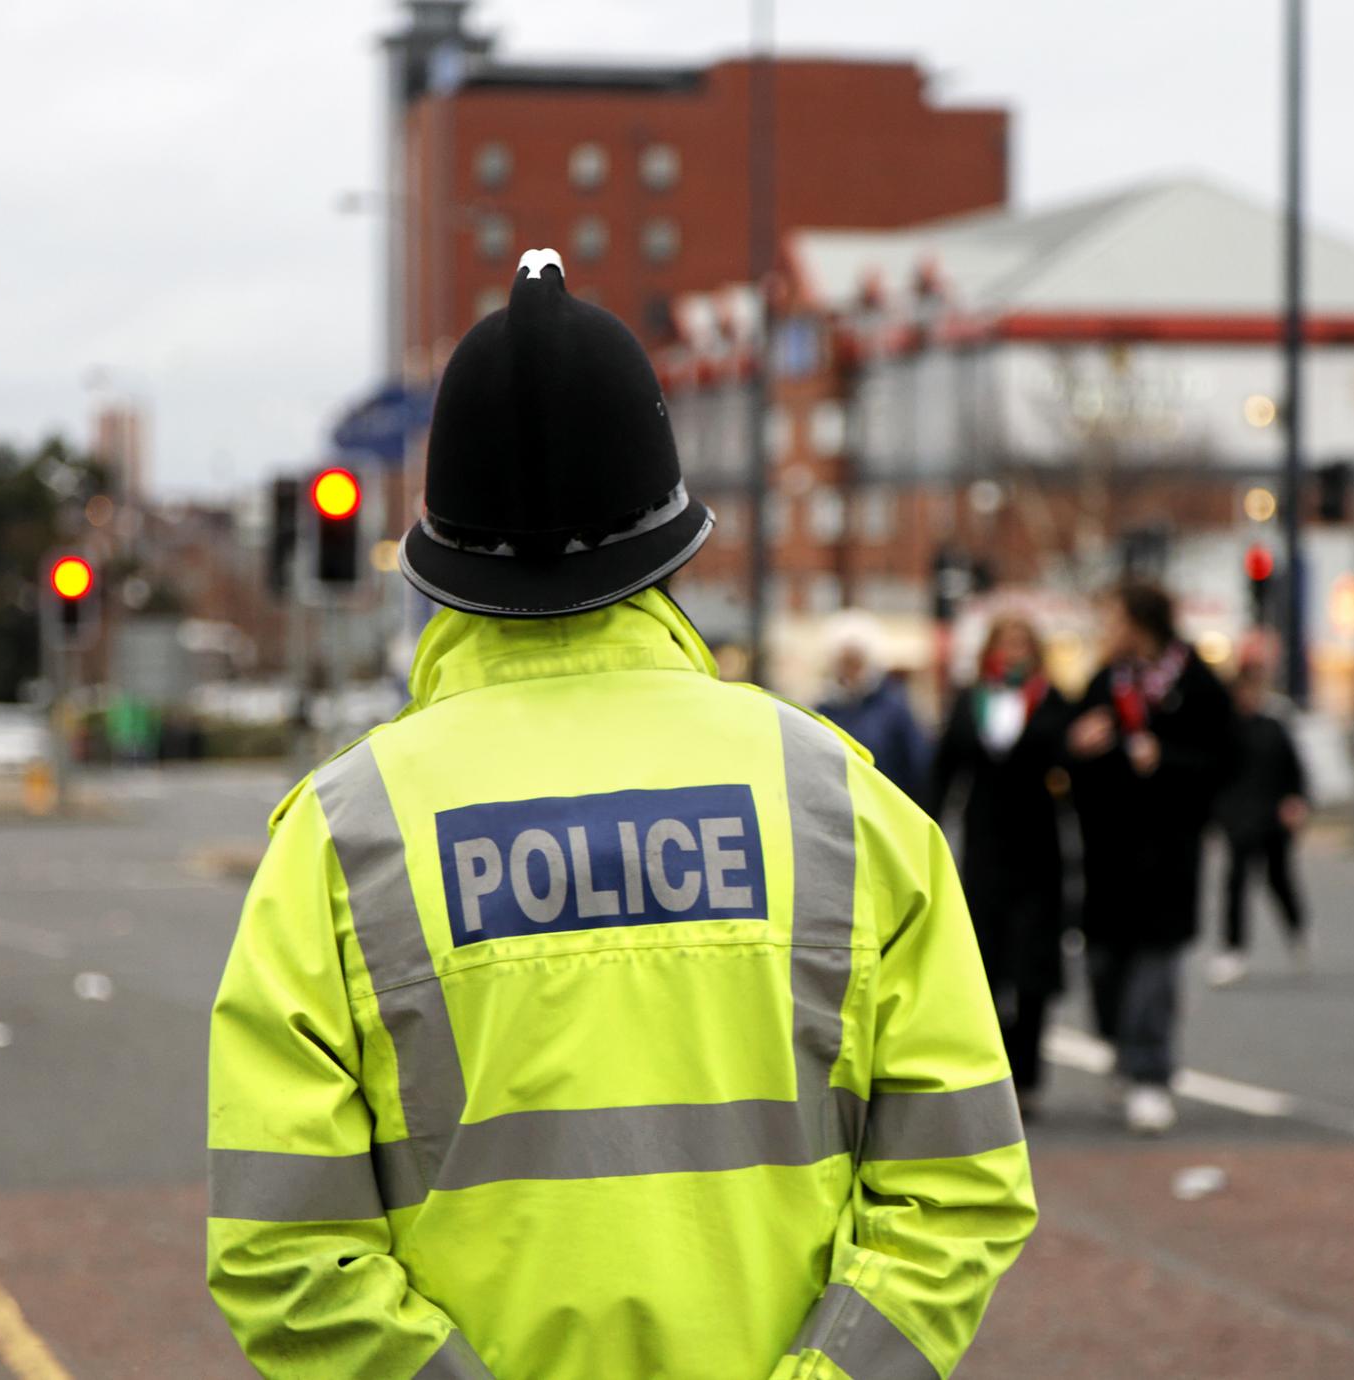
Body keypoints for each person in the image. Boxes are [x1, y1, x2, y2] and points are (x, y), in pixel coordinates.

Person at [206, 250, 1035, 1380]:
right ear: (673, 538)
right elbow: (961, 1184)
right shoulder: (836, 803)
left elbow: (284, 1249)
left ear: (438, 553)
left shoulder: (345, 836)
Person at [1066, 584, 1236, 1134]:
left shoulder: (1196, 683)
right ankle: (1122, 1050)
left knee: (1154, 966)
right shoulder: (1103, 683)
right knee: (1104, 966)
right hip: (1108, 851)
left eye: (1114, 619)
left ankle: (1150, 1074)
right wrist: (1078, 747)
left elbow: (1225, 759)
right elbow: (1067, 760)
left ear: (1141, 624)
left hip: (1167, 850)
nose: (1107, 630)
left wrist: (1168, 760)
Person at [925, 613, 1072, 1116]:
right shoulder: (971, 699)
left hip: (1038, 847)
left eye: (1022, 641)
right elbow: (946, 769)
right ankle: (993, 1075)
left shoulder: (1052, 701)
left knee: (1032, 970)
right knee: (984, 967)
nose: (1013, 650)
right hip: (984, 847)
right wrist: (925, 829)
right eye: (1005, 640)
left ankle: (1028, 1077)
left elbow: (1069, 761)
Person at [1208, 669, 1310, 988]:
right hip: (1239, 819)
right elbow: (1212, 776)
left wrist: (1295, 800)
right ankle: (1233, 948)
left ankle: (1297, 929)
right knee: (1235, 882)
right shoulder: (1224, 731)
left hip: (1273, 817)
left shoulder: (1273, 727)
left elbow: (1295, 768)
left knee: (1278, 878)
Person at [816, 616, 931, 800]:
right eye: (845, 663)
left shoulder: (893, 710)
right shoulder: (824, 710)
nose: (849, 671)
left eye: (855, 663)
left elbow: (917, 766)